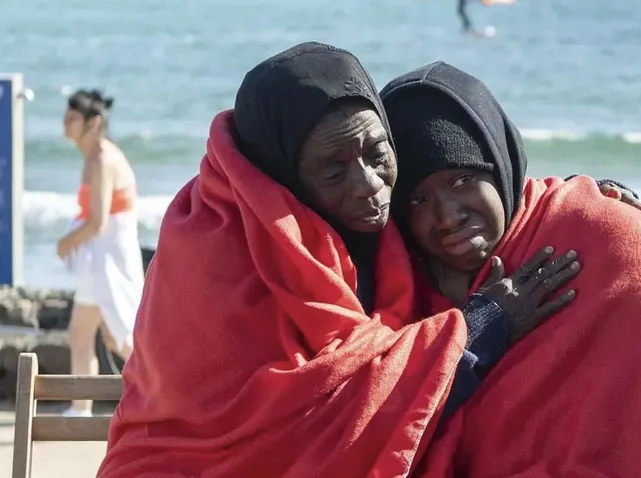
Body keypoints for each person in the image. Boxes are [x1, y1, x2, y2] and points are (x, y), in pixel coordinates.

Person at [96, 42, 592, 478]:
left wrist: (580, 202)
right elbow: (304, 428)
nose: (369, 185)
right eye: (334, 173)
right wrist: (481, 327)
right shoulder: (216, 251)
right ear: (281, 176)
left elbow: (472, 181)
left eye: (377, 152)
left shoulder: (370, 226)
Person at [380, 62, 641, 477]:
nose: (447, 216)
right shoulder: (402, 291)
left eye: (463, 180)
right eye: (418, 200)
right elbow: (379, 418)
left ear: (500, 162)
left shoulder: (603, 239)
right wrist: (481, 327)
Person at [58, 89, 145, 417]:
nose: (65, 123)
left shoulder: (102, 159)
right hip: (100, 258)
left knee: (120, 336)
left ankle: (163, 396)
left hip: (109, 260)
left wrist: (65, 243)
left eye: (72, 118)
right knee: (83, 333)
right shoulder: (94, 155)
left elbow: (98, 221)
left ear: (93, 123)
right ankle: (80, 408)